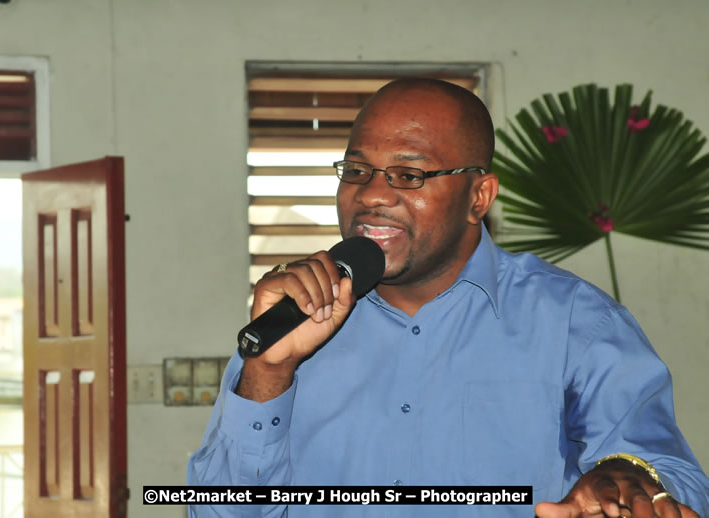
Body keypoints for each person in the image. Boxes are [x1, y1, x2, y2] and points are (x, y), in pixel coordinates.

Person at [188, 78, 709, 517]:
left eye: (409, 175)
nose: (370, 194)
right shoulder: (293, 316)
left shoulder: (577, 322)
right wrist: (269, 375)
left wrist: (624, 479)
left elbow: (675, 479)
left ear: (478, 197)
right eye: (356, 170)